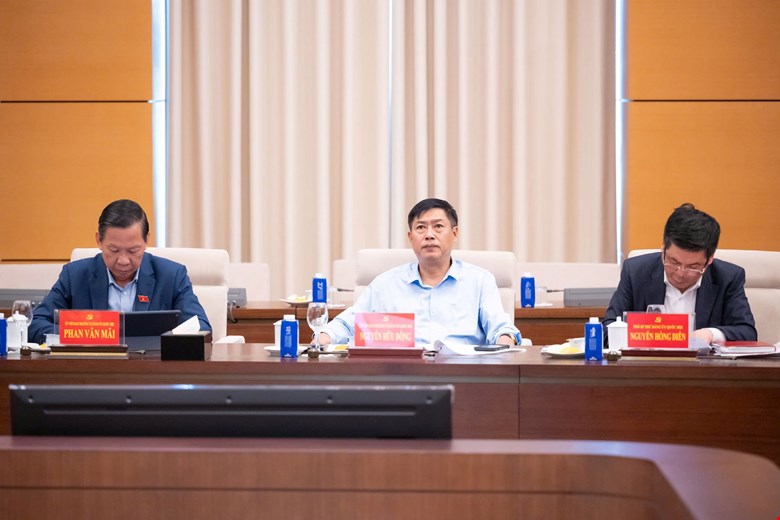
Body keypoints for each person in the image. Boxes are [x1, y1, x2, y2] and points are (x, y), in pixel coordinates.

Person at [316, 198, 521, 347]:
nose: (429, 235)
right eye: (421, 228)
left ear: (454, 233)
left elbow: (501, 327)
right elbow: (347, 323)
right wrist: (322, 338)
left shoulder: (479, 280)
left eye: (438, 226)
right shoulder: (385, 284)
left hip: (464, 375)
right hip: (403, 375)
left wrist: (504, 342)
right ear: (410, 237)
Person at [28, 199, 211, 344]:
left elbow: (201, 327)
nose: (123, 261)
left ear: (146, 240)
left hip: (152, 371)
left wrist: (164, 340)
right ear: (99, 240)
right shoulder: (75, 275)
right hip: (93, 370)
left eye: (133, 250)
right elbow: (35, 324)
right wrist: (82, 334)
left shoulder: (171, 276)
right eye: (114, 250)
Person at [604, 203, 756, 344]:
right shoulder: (636, 272)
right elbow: (607, 329)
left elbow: (747, 332)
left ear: (710, 259)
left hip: (703, 364)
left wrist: (710, 334)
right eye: (673, 262)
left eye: (693, 266)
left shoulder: (728, 278)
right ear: (663, 249)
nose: (681, 273)